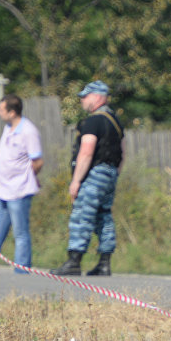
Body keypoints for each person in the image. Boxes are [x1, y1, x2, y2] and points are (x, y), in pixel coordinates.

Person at [50, 80, 124, 276]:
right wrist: (114, 174)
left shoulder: (93, 121)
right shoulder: (115, 121)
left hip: (94, 174)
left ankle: (74, 261)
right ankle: (104, 263)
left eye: (85, 96)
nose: (82, 100)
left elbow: (86, 151)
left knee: (82, 215)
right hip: (110, 174)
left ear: (98, 97)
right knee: (103, 215)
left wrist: (76, 180)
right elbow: (121, 153)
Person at [0, 94, 44, 273]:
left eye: (1, 110)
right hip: (2, 190)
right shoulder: (8, 128)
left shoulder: (28, 131)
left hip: (19, 190)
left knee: (20, 233)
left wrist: (26, 177)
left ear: (12, 112)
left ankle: (21, 270)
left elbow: (37, 161)